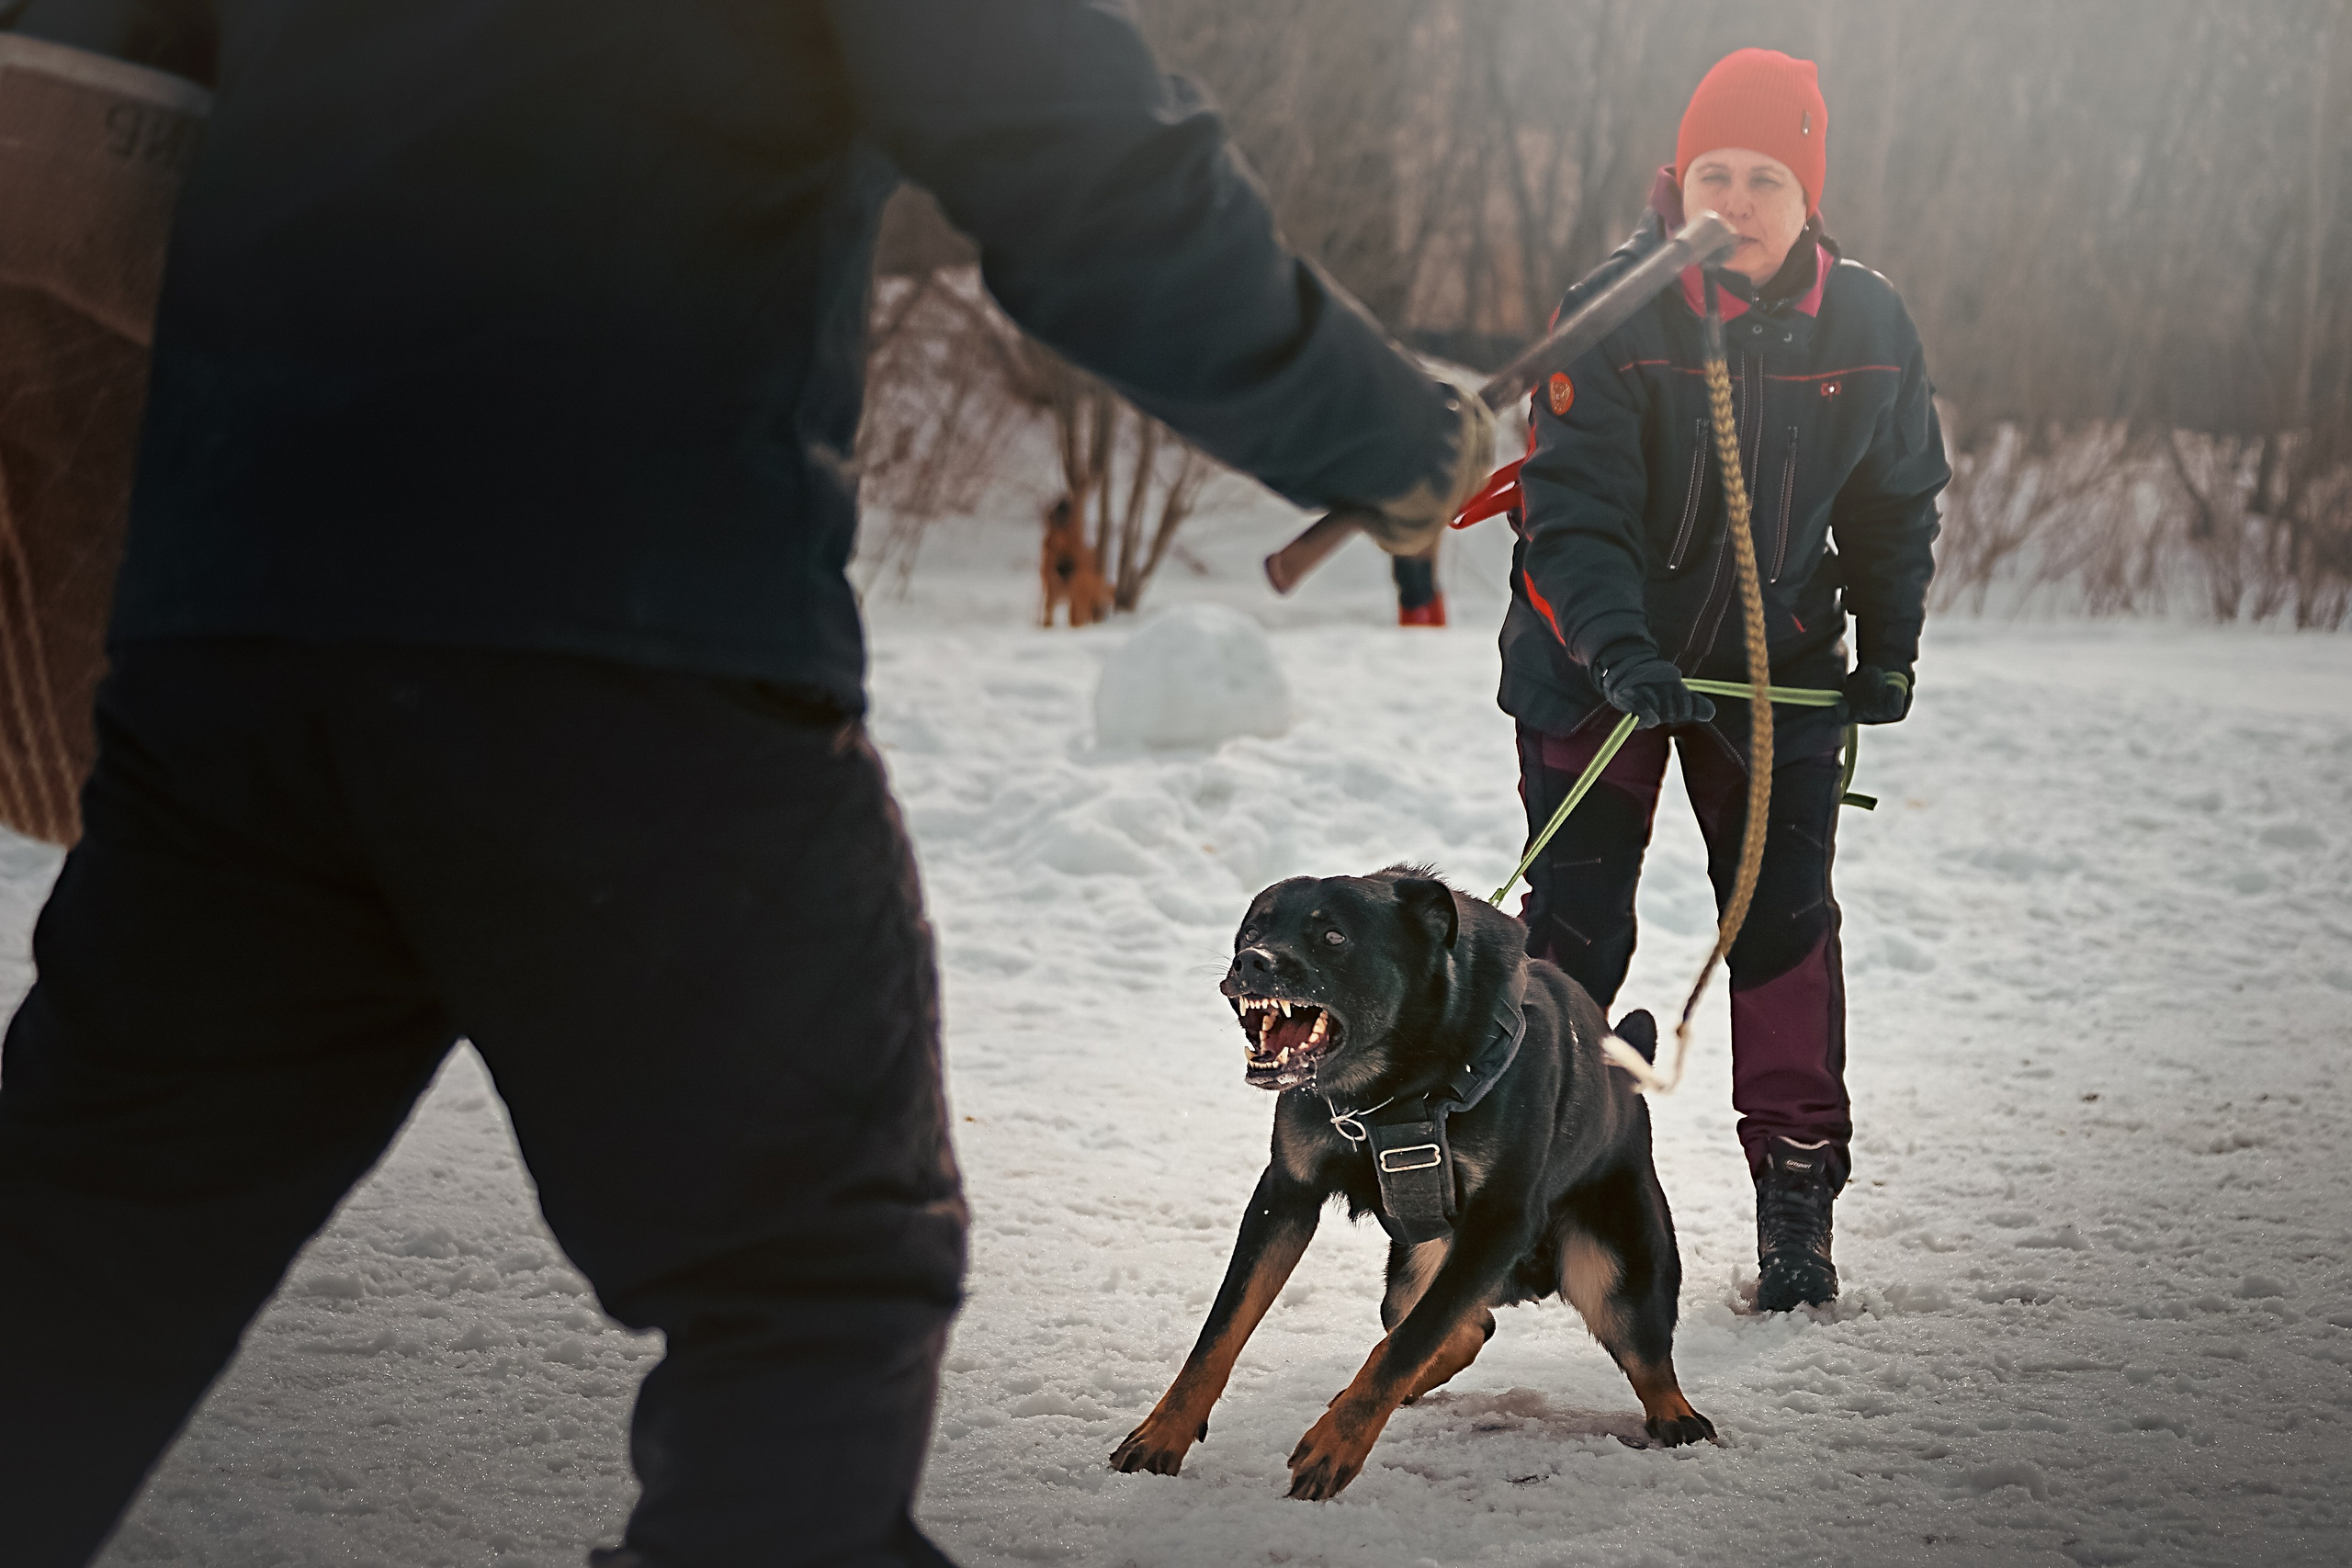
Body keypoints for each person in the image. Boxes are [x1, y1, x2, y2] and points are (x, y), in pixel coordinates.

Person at [0, 3, 1495, 1565]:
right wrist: (1385, 431)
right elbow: (1076, 160)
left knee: (83, 1257)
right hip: (631, 636)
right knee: (810, 1283)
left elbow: (72, 104)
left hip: (237, 629)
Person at [1500, 48, 1948, 1314]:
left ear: (1808, 190)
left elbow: (1895, 498)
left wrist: (1890, 641)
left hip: (1778, 668)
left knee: (1784, 918)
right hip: (1594, 659)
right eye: (1713, 174)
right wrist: (1617, 646)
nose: (1736, 200)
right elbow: (1568, 509)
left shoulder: (1870, 325)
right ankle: (1535, 1180)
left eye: (1763, 176)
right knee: (1580, 926)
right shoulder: (1613, 310)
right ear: (1675, 182)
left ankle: (1795, 1186)